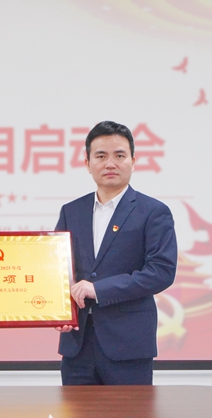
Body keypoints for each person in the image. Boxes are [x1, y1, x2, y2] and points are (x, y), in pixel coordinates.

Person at [55, 121, 177, 385]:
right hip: (77, 345)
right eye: (101, 156)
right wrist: (60, 310)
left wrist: (98, 289)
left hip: (128, 346)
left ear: (133, 161)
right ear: (87, 163)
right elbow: (58, 271)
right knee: (76, 413)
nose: (110, 163)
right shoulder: (71, 211)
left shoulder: (153, 212)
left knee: (130, 413)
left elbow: (161, 272)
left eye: (119, 155)